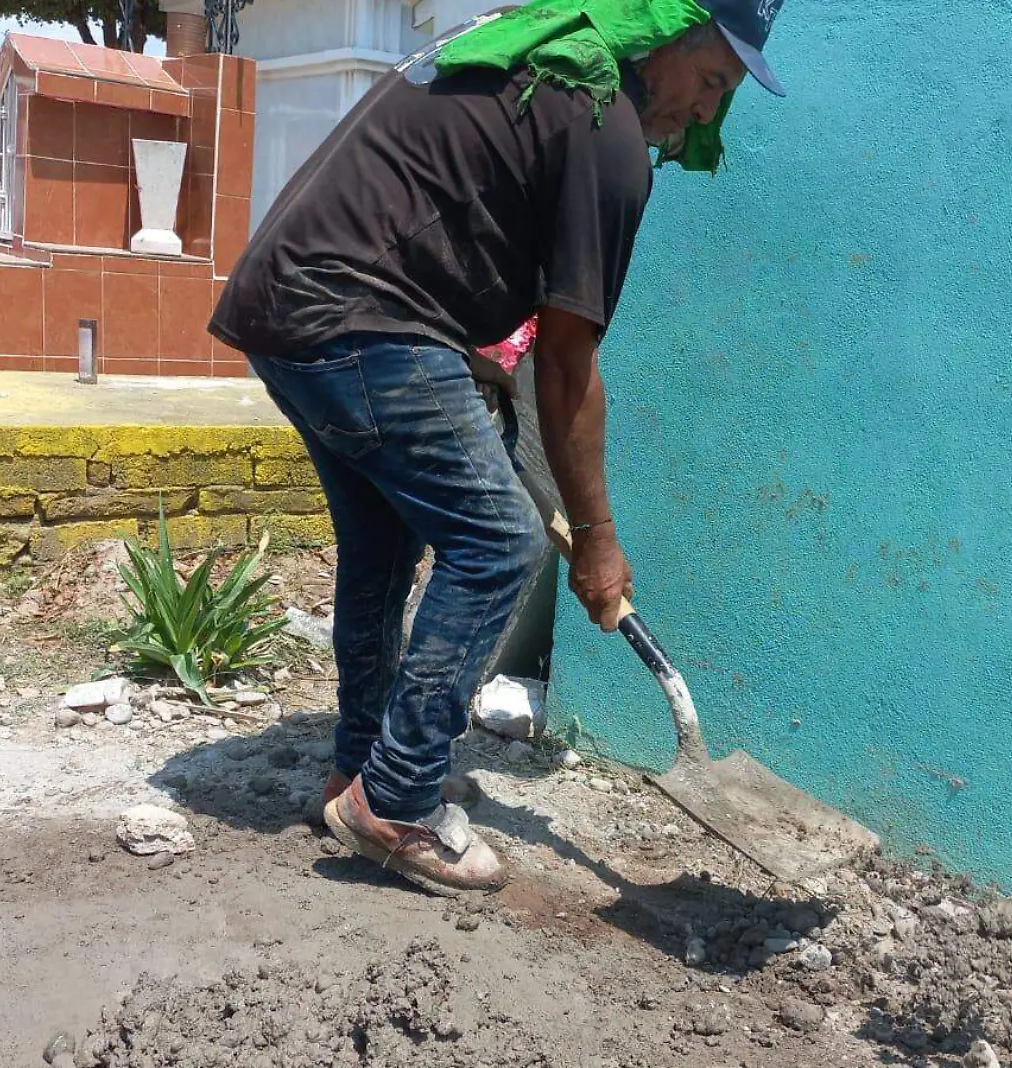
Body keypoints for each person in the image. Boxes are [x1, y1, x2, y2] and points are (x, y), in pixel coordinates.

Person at [208, 0, 787, 896]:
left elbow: (440, 209)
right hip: (357, 315)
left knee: (384, 544)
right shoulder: (606, 126)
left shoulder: (540, 57)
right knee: (501, 544)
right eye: (710, 80)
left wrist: (464, 355)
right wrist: (595, 533)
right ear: (662, 35)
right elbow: (565, 365)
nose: (707, 112)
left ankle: (357, 771)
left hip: (286, 306)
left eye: (727, 95)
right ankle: (395, 801)